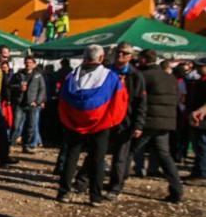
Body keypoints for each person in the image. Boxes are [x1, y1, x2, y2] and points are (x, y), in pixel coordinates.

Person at [57, 45, 127, 205]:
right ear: (101, 58)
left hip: (74, 122)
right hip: (100, 123)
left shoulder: (72, 77)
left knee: (71, 156)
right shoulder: (110, 77)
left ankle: (64, 192)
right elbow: (119, 100)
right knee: (98, 159)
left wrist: (68, 118)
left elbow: (63, 100)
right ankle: (95, 196)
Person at [74, 42, 146, 199]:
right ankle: (82, 181)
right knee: (96, 152)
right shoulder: (104, 71)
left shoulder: (136, 75)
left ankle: (115, 187)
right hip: (104, 118)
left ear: (131, 57)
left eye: (124, 53)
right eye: (118, 52)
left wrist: (138, 124)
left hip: (125, 121)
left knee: (120, 157)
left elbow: (140, 102)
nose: (120, 55)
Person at [133, 49, 184, 203]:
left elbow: (137, 99)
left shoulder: (144, 76)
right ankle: (177, 190)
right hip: (166, 122)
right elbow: (176, 99)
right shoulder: (170, 78)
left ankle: (116, 185)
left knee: (128, 151)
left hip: (148, 121)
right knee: (165, 156)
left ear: (143, 60)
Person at [9, 56, 47, 153]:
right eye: (26, 62)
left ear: (34, 64)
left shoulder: (38, 76)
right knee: (16, 125)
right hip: (20, 103)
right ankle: (11, 144)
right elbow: (10, 86)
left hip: (32, 104)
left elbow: (42, 89)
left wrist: (37, 101)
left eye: (30, 62)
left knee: (30, 126)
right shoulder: (18, 74)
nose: (28, 64)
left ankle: (26, 145)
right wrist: (19, 87)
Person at [184, 57, 206, 185]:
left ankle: (202, 174)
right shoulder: (199, 81)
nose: (197, 68)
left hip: (202, 120)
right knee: (198, 147)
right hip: (196, 119)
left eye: (200, 66)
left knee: (202, 147)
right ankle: (197, 172)